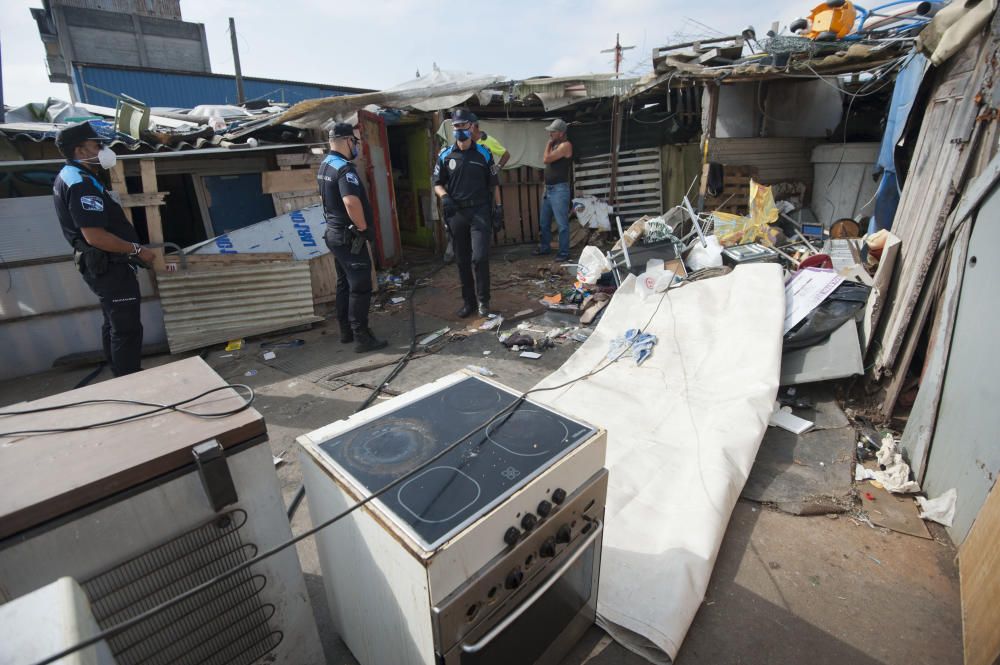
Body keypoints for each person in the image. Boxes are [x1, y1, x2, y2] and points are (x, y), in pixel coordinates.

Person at [53, 121, 155, 377]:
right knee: (126, 327)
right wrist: (136, 249)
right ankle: (130, 381)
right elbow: (95, 235)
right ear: (80, 150)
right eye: (97, 145)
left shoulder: (79, 176)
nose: (103, 149)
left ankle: (120, 376)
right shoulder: (79, 183)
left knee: (115, 323)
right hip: (109, 266)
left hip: (106, 265)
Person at [318, 122, 388, 353]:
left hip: (334, 234)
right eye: (355, 141)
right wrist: (363, 228)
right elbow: (350, 201)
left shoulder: (326, 165)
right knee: (360, 286)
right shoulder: (344, 170)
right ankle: (362, 338)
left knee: (343, 284)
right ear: (348, 140)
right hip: (349, 237)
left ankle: (346, 331)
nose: (356, 146)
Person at [434, 108, 503, 318]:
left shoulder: (484, 153)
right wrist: (444, 197)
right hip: (456, 213)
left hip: (480, 211)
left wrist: (498, 209)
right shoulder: (445, 155)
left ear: (471, 126)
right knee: (462, 260)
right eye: (456, 126)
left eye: (463, 125)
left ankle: (484, 301)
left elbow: (494, 185)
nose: (460, 129)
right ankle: (469, 302)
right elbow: (437, 183)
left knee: (480, 258)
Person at [532, 118, 574, 261]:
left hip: (559, 189)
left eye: (553, 132)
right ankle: (545, 247)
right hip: (549, 189)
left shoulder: (565, 146)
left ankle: (564, 252)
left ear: (561, 133)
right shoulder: (557, 146)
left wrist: (548, 144)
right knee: (544, 222)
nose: (550, 134)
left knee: (562, 223)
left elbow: (546, 159)